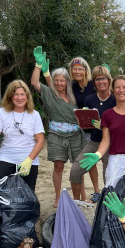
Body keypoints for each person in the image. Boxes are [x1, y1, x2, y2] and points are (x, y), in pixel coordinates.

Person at [79, 74, 125, 221]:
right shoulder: (107, 114)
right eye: (118, 87)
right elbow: (106, 140)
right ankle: (109, 226)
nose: (121, 90)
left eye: (124, 87)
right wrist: (97, 155)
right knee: (110, 192)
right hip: (115, 158)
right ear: (113, 90)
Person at [31, 46, 84, 207]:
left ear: (67, 81)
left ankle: (82, 196)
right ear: (53, 81)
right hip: (56, 134)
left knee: (78, 167)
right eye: (57, 80)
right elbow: (34, 82)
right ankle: (57, 197)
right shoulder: (49, 94)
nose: (59, 83)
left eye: (62, 80)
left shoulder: (74, 94)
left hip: (76, 135)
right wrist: (38, 66)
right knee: (58, 166)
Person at [0, 80, 45, 191]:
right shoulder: (2, 112)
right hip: (7, 158)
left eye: (22, 94)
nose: (19, 98)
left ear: (27, 96)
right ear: (10, 96)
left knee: (27, 196)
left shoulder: (34, 115)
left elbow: (41, 141)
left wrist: (29, 160)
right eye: (16, 94)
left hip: (28, 161)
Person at [69, 65, 116, 201]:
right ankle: (77, 202)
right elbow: (87, 125)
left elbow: (121, 123)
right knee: (76, 170)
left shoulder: (114, 99)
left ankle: (109, 204)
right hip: (95, 140)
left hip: (112, 142)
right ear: (93, 82)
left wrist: (104, 125)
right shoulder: (89, 99)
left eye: (103, 78)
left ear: (109, 80)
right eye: (97, 79)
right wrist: (82, 119)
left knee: (108, 175)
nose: (101, 81)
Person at [68, 57, 98, 203]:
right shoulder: (72, 86)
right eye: (75, 69)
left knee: (92, 161)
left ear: (86, 70)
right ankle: (84, 196)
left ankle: (97, 191)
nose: (77, 71)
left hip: (96, 127)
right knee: (83, 162)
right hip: (82, 128)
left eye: (80, 68)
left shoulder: (93, 84)